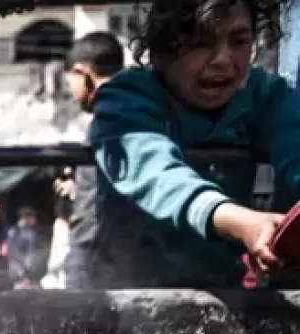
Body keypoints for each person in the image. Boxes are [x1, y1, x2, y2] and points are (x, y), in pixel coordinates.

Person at [83, 0, 299, 289]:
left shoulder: (265, 96)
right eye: (201, 42)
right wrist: (241, 223)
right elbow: (157, 174)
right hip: (127, 301)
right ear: (160, 50)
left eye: (239, 41)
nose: (224, 59)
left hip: (222, 297)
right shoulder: (124, 100)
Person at [54, 31, 124, 289]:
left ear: (82, 72)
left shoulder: (109, 115)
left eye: (70, 80)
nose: (71, 92)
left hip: (96, 247)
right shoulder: (130, 108)